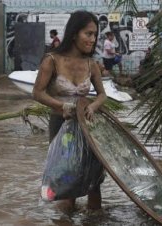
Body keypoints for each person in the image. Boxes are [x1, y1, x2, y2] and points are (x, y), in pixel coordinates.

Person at [33, 11, 107, 212]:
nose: (92, 39)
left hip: (88, 129)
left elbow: (102, 95)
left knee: (94, 184)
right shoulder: (52, 60)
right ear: (74, 33)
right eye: (88, 34)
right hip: (61, 128)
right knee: (66, 183)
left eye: (94, 35)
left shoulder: (92, 65)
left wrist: (92, 106)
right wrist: (61, 106)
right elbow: (37, 93)